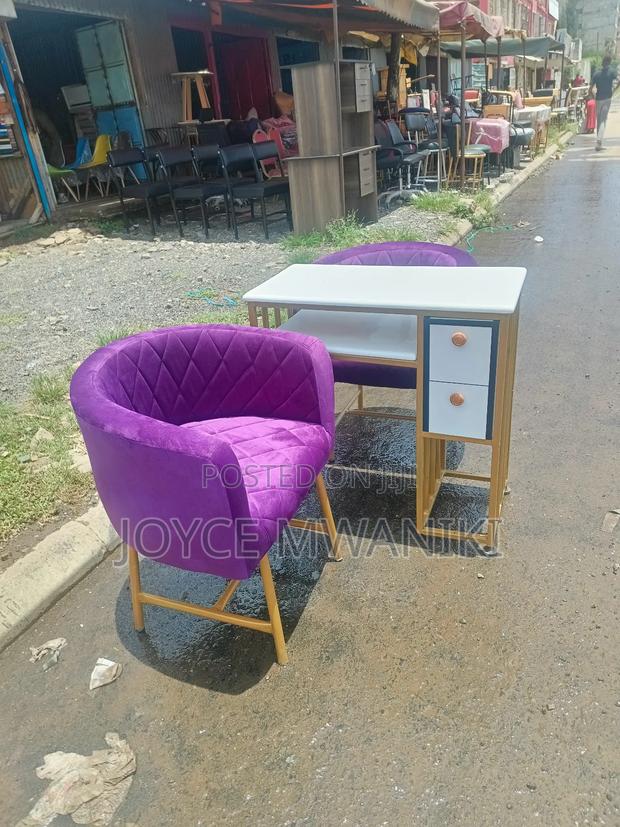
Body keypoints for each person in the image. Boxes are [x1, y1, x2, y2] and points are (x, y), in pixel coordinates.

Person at [590, 56, 617, 151]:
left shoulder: (596, 74)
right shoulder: (611, 72)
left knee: (599, 120)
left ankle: (598, 144)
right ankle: (599, 141)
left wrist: (593, 96)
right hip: (607, 99)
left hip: (598, 99)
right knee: (603, 121)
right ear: (609, 62)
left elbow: (591, 88)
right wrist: (614, 90)